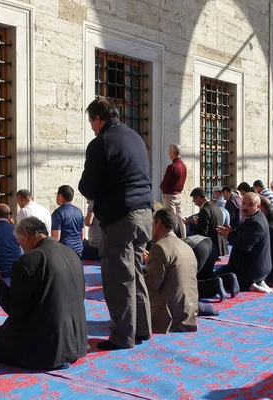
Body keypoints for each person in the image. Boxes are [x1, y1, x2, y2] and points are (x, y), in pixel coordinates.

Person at [78, 98, 153, 351]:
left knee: (118, 278)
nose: (91, 127)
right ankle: (141, 328)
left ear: (98, 118)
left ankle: (123, 335)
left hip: (121, 216)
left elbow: (87, 186)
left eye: (91, 122)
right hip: (144, 213)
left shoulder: (102, 142)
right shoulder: (134, 136)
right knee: (135, 272)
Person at [0, 217, 88, 370]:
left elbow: (15, 309)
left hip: (47, 348)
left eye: (20, 241)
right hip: (76, 343)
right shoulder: (71, 253)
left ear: (26, 235)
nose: (21, 246)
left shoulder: (28, 260)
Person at [143, 209, 198, 334]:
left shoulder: (159, 247)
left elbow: (152, 284)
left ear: (158, 224)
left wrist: (138, 271)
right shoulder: (186, 246)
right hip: (188, 313)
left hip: (168, 317)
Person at [215, 193, 273, 293]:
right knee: (217, 275)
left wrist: (229, 235)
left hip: (250, 271)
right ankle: (255, 282)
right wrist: (232, 232)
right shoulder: (253, 217)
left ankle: (248, 284)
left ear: (258, 206)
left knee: (215, 280)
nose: (245, 207)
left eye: (250, 204)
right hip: (254, 268)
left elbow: (244, 246)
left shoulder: (256, 223)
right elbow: (244, 236)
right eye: (244, 203)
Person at [186, 188, 229, 257]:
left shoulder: (205, 210)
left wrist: (191, 225)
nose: (194, 202)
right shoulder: (215, 207)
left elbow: (202, 232)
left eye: (194, 199)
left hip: (210, 247)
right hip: (218, 245)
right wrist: (199, 222)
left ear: (199, 197)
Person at [159, 144, 187, 238]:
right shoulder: (183, 166)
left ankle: (172, 239)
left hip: (170, 195)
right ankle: (184, 237)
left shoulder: (172, 167)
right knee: (180, 217)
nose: (168, 154)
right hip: (179, 195)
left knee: (170, 218)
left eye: (170, 152)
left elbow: (166, 182)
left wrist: (162, 187)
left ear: (173, 153)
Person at [51, 185, 84, 257]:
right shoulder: (79, 211)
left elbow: (56, 238)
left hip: (64, 250)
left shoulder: (58, 213)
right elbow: (82, 235)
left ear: (60, 196)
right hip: (78, 248)